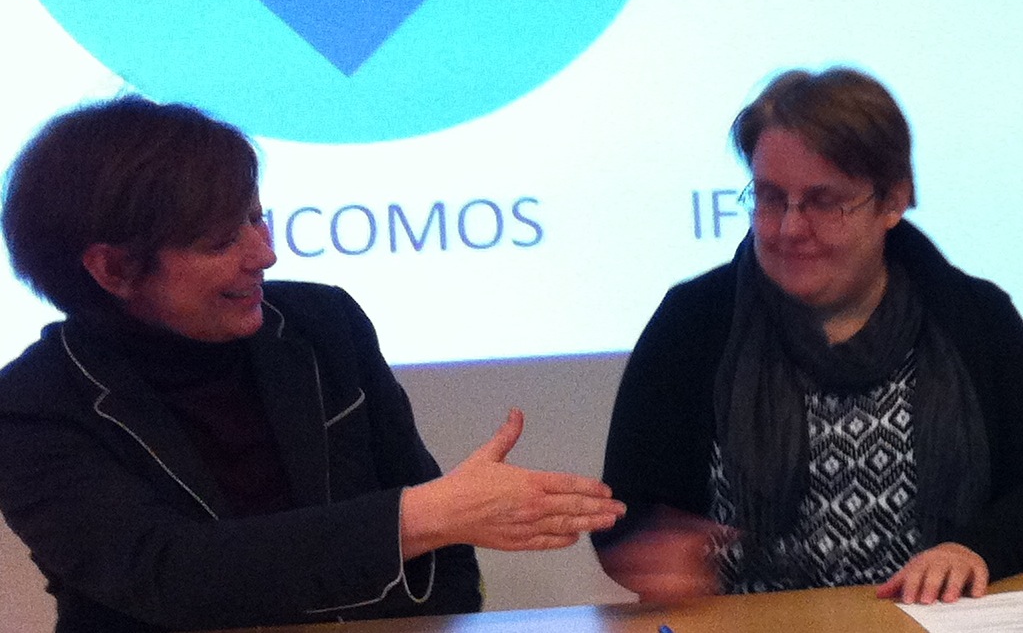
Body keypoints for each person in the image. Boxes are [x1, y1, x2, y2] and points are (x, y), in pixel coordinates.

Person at [0, 96, 624, 633]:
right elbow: (172, 574)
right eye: (223, 240)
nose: (264, 255)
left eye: (256, 218)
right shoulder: (31, 405)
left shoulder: (321, 323)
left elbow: (438, 554)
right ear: (112, 269)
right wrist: (428, 515)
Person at [595, 67, 1023, 604]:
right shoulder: (693, 321)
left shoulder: (975, 316)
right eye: (770, 197)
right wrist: (653, 550)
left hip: (931, 621)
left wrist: (974, 550)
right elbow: (622, 513)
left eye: (824, 202)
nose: (789, 228)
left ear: (892, 201)